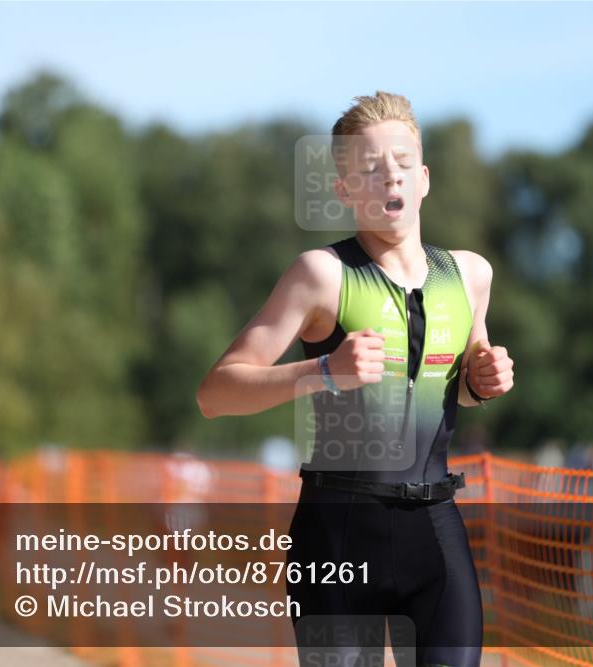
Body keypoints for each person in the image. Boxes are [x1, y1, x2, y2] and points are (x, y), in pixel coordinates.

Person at [197, 91, 515, 667]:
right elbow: (216, 393)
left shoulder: (469, 275)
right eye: (370, 168)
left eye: (402, 163)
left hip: (436, 531)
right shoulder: (321, 275)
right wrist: (324, 371)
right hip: (337, 537)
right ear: (344, 190)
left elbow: (460, 383)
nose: (389, 176)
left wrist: (483, 380)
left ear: (423, 179)